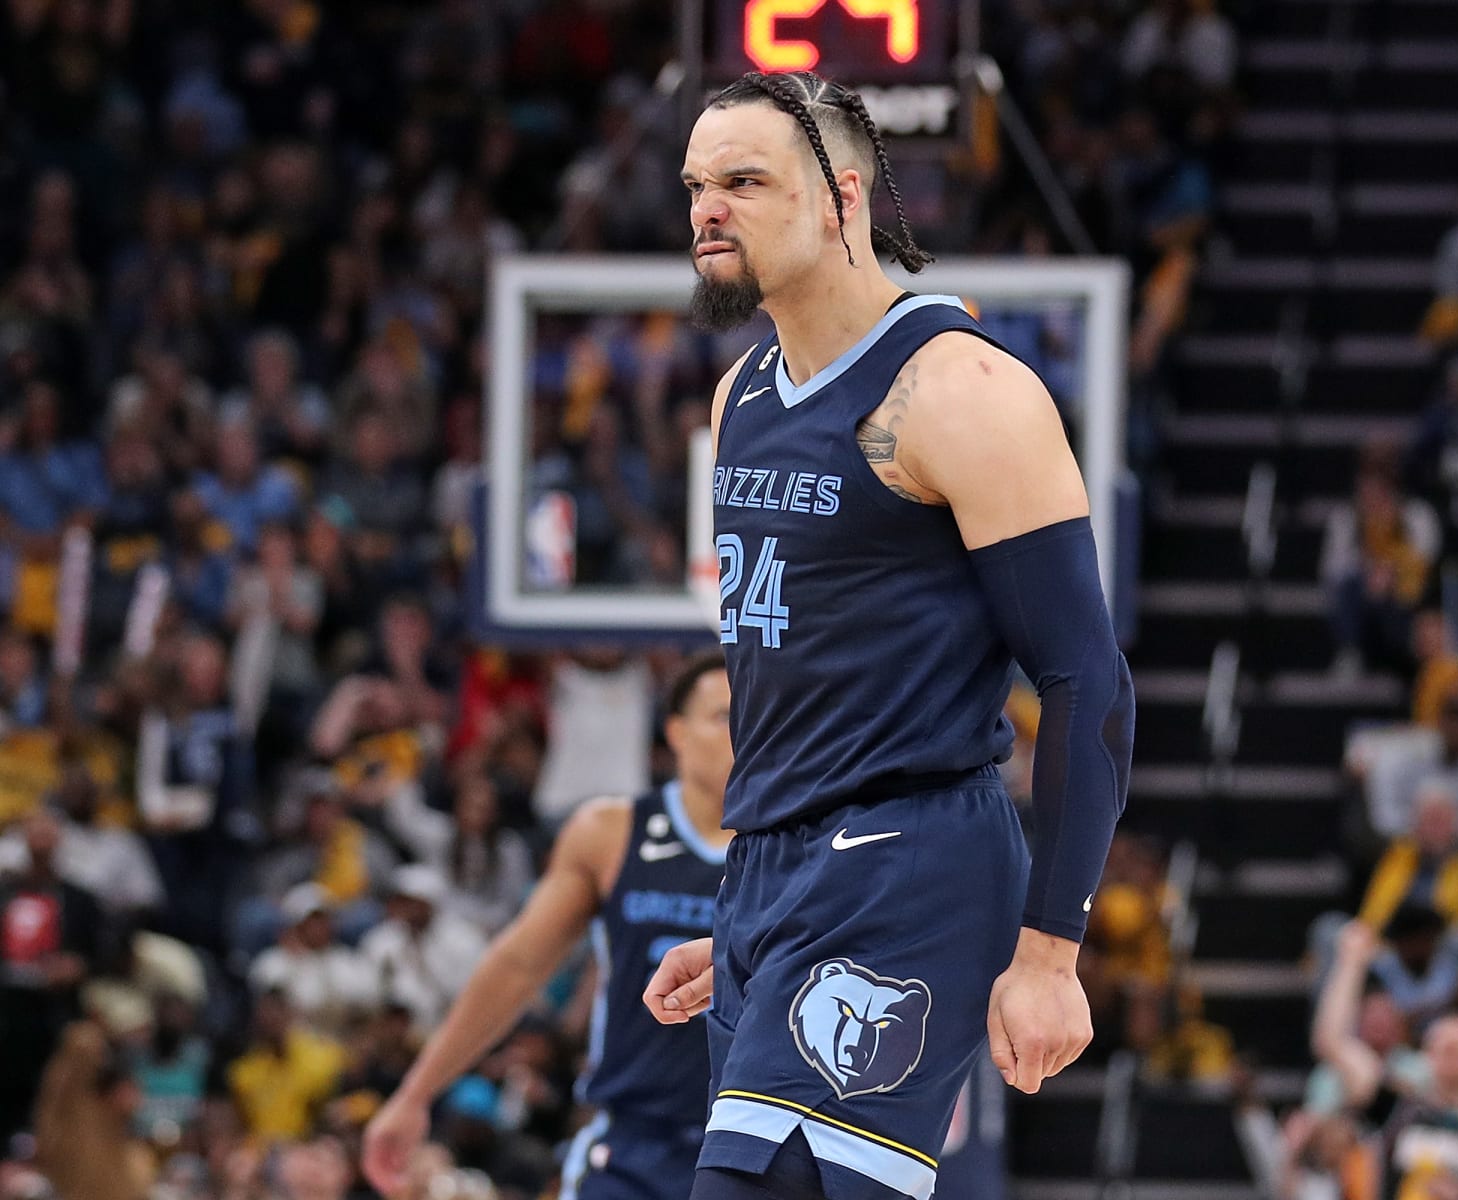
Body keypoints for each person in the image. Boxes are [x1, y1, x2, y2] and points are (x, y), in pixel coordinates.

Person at [643, 71, 1135, 1200]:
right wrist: (752, 922)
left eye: (744, 181)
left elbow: (1087, 680)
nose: (707, 209)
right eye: (696, 185)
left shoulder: (960, 391)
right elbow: (802, 679)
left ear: (842, 199)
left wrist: (1050, 951)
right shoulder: (741, 397)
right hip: (776, 876)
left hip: (907, 862)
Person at [362, 652, 735, 1200]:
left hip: (756, 1140)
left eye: (754, 715)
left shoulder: (801, 841)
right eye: (723, 716)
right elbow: (517, 965)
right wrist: (415, 1094)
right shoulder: (610, 832)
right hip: (634, 1144)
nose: (742, 732)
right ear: (676, 732)